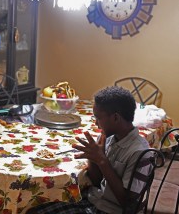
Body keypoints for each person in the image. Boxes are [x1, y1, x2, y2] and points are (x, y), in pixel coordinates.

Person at [27, 86, 150, 214]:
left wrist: (102, 161)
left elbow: (129, 204)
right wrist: (93, 157)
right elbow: (97, 181)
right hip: (95, 200)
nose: (96, 124)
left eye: (98, 118)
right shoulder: (109, 138)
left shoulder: (139, 152)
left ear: (115, 118)